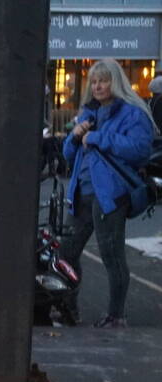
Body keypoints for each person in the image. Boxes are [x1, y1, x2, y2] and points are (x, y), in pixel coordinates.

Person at [62, 58, 154, 328]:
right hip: (81, 193)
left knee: (111, 256)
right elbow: (69, 155)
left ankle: (116, 315)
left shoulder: (132, 114)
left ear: (116, 82)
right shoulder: (88, 113)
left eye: (103, 80)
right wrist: (75, 136)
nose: (98, 86)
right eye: (94, 81)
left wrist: (100, 137)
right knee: (67, 253)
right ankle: (68, 309)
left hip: (110, 196)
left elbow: (140, 149)